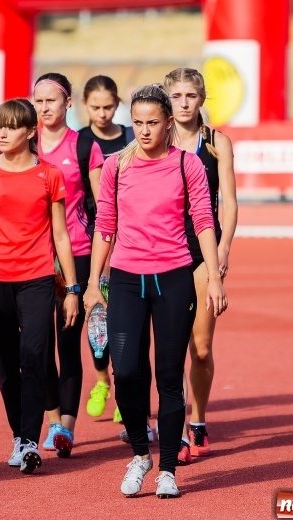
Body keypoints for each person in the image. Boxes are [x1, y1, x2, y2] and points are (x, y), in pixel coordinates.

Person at [83, 83, 227, 498]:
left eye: (152, 123)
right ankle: (139, 454)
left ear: (167, 123)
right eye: (138, 123)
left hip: (174, 278)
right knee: (126, 372)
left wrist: (214, 277)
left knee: (168, 376)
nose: (144, 131)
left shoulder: (187, 164)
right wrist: (93, 282)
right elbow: (104, 225)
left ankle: (167, 469)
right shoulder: (116, 165)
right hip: (127, 279)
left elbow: (204, 220)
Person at [0, 98, 79, 474]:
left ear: (31, 132)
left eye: (12, 127)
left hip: (37, 278)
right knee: (6, 365)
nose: (3, 133)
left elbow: (61, 235)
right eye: (0, 126)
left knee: (34, 358)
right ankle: (19, 436)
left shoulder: (49, 175)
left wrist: (72, 289)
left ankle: (29, 440)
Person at [164, 67, 238, 465]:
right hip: (165, 250)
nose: (183, 104)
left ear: (202, 99)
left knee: (202, 348)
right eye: (176, 96)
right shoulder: (157, 139)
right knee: (170, 349)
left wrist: (223, 249)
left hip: (203, 252)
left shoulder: (216, 143)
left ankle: (198, 420)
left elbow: (230, 201)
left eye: (190, 96)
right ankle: (174, 430)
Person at [33, 72, 104, 458]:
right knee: (37, 346)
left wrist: (101, 266)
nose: (44, 108)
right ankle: (52, 420)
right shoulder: (26, 143)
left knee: (67, 343)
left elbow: (103, 207)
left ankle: (66, 428)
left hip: (74, 254)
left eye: (51, 101)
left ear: (68, 103)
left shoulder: (84, 146)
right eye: (38, 101)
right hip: (32, 256)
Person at [75, 74, 135, 423]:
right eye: (95, 107)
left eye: (108, 107)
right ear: (85, 105)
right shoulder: (80, 142)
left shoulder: (130, 138)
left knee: (126, 318)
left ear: (117, 105)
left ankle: (125, 387)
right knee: (96, 315)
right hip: (92, 239)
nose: (102, 113)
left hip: (130, 240)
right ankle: (101, 381)